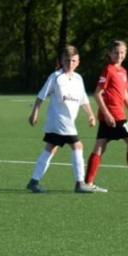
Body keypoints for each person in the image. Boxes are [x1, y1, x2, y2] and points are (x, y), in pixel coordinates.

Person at [26, 45, 102, 194]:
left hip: (67, 122)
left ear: (78, 61)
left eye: (74, 61)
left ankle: (34, 181)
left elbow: (83, 99)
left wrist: (91, 114)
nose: (71, 64)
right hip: (59, 121)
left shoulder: (78, 78)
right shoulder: (55, 77)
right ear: (61, 61)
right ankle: (80, 183)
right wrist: (34, 112)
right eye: (67, 60)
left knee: (50, 148)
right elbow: (41, 95)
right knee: (77, 146)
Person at [84, 39, 128, 191]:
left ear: (126, 53)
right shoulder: (108, 70)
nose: (119, 55)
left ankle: (88, 183)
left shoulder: (123, 72)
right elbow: (97, 94)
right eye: (116, 52)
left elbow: (125, 95)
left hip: (116, 115)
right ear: (109, 54)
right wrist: (107, 113)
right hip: (114, 116)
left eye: (122, 52)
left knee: (100, 147)